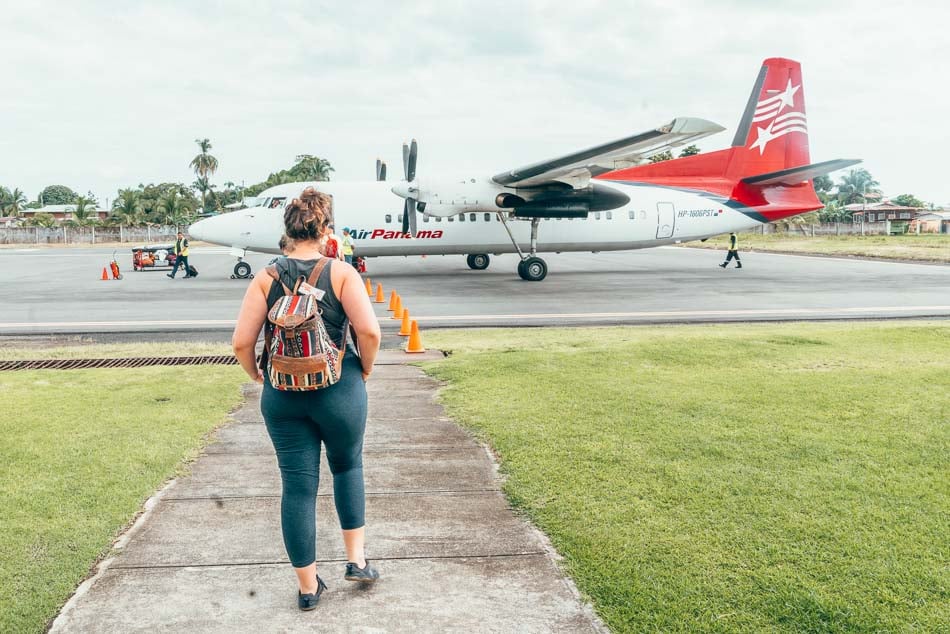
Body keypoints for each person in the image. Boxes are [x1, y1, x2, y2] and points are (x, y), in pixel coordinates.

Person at [232, 187, 382, 611]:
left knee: (297, 487)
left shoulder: (264, 278)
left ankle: (307, 586)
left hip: (282, 395)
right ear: (326, 230)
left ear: (287, 230)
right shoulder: (341, 273)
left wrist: (260, 376)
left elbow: (242, 342)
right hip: (339, 388)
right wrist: (364, 368)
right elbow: (369, 332)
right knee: (347, 466)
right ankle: (356, 561)